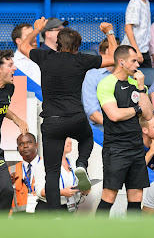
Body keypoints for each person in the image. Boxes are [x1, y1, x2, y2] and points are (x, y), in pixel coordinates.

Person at [19, 17, 117, 210]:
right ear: (77, 47)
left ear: (58, 44)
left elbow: (23, 47)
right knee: (87, 138)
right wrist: (110, 32)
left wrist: (37, 29)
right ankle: (81, 163)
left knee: (52, 173)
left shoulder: (45, 56)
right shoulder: (81, 59)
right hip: (76, 118)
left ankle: (55, 215)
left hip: (52, 122)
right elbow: (114, 58)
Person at [97, 45, 153, 213]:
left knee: (136, 197)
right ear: (121, 62)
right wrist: (137, 110)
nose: (137, 65)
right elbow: (114, 115)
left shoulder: (138, 84)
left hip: (136, 148)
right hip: (116, 148)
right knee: (109, 195)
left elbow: (149, 115)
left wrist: (142, 89)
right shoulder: (106, 83)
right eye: (133, 61)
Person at [0, 50, 28, 211]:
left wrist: (16, 119)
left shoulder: (9, 88)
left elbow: (2, 108)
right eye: (10, 65)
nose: (15, 69)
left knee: (6, 190)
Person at [34, 138, 89, 212]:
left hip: (69, 209)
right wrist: (62, 192)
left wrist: (83, 190)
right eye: (66, 138)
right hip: (48, 210)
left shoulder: (73, 161)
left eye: (70, 138)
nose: (70, 141)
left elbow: (78, 184)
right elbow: (40, 191)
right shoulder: (43, 163)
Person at [82, 38, 120, 131]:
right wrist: (114, 126)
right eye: (113, 53)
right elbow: (92, 113)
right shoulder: (92, 75)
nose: (117, 57)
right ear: (102, 54)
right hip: (101, 126)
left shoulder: (126, 75)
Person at [8, 133, 40, 214]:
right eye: (21, 144)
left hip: (42, 215)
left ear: (36, 145)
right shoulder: (10, 170)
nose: (25, 146)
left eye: (29, 142)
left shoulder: (47, 167)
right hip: (18, 219)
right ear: (17, 148)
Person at [121, 0, 153, 67]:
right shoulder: (135, 2)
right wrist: (136, 51)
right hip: (134, 51)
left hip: (144, 50)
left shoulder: (147, 3)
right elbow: (128, 27)